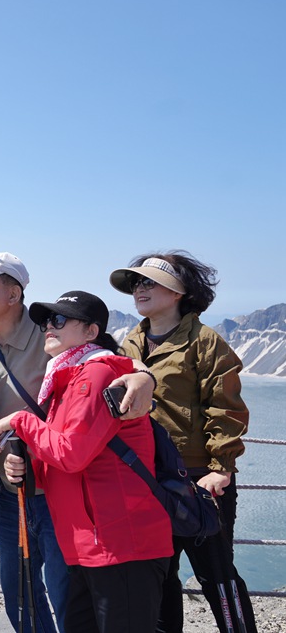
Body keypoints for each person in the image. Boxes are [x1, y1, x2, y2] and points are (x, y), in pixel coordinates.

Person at [0, 251, 156, 633]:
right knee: (20, 596)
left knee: (68, 597)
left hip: (62, 491)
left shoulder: (52, 338)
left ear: (14, 295)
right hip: (14, 492)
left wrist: (145, 377)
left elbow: (114, 361)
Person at [0, 290, 173, 633]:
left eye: (59, 320)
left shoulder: (96, 375)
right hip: (93, 547)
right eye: (46, 320)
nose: (49, 327)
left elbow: (71, 454)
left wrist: (21, 421)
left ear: (91, 331)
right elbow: (64, 463)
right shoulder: (67, 381)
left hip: (120, 545)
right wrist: (29, 467)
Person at [109, 251, 257, 633]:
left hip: (199, 479)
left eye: (149, 281)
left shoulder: (205, 343)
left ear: (178, 291)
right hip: (149, 478)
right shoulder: (130, 343)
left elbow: (225, 408)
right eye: (135, 282)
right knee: (160, 575)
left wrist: (220, 468)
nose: (139, 289)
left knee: (217, 576)